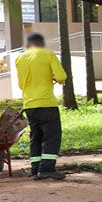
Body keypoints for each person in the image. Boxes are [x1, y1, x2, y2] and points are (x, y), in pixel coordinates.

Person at [15, 33, 67, 180]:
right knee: (52, 136)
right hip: (46, 103)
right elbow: (62, 76)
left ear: (29, 44)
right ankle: (47, 169)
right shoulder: (48, 54)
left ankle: (35, 169)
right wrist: (54, 78)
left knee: (36, 137)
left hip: (29, 105)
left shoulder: (20, 58)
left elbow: (21, 84)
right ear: (41, 43)